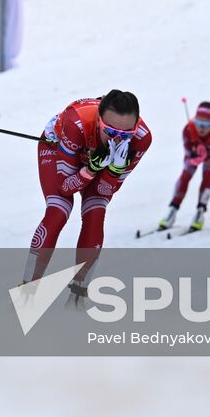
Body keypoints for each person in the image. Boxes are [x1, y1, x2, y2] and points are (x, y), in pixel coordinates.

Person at [25, 90, 152, 294]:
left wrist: (114, 170)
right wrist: (90, 170)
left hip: (94, 159)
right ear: (99, 121)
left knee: (96, 211)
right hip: (59, 147)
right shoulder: (76, 122)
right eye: (110, 132)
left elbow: (106, 189)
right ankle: (28, 288)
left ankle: (79, 292)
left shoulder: (142, 139)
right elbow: (64, 186)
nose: (117, 141)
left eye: (125, 135)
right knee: (59, 210)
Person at [157, 101, 210, 232]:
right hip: (197, 148)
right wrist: (194, 154)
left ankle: (200, 211)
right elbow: (188, 152)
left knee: (208, 173)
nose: (201, 128)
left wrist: (205, 154)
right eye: (198, 123)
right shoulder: (189, 129)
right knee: (186, 174)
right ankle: (173, 209)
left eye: (206, 125)